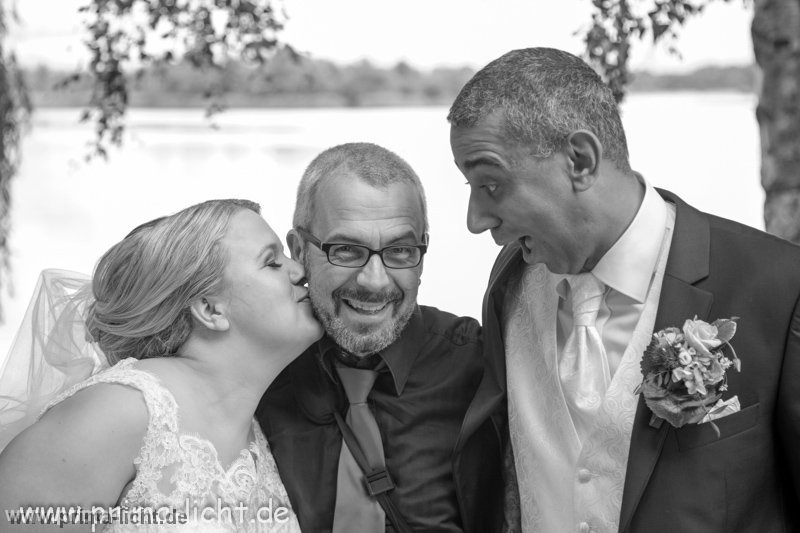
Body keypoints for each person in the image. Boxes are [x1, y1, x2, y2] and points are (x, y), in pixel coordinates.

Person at [447, 47, 800, 533]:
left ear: (580, 159)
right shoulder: (509, 283)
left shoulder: (778, 286)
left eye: (490, 184)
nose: (475, 220)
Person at [0, 199, 322, 532]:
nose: (299, 271)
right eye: (272, 262)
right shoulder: (115, 413)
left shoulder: (261, 439)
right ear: (210, 309)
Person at [256, 142, 504, 533]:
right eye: (346, 250)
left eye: (400, 251)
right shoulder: (259, 368)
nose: (374, 281)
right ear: (299, 251)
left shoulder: (483, 365)